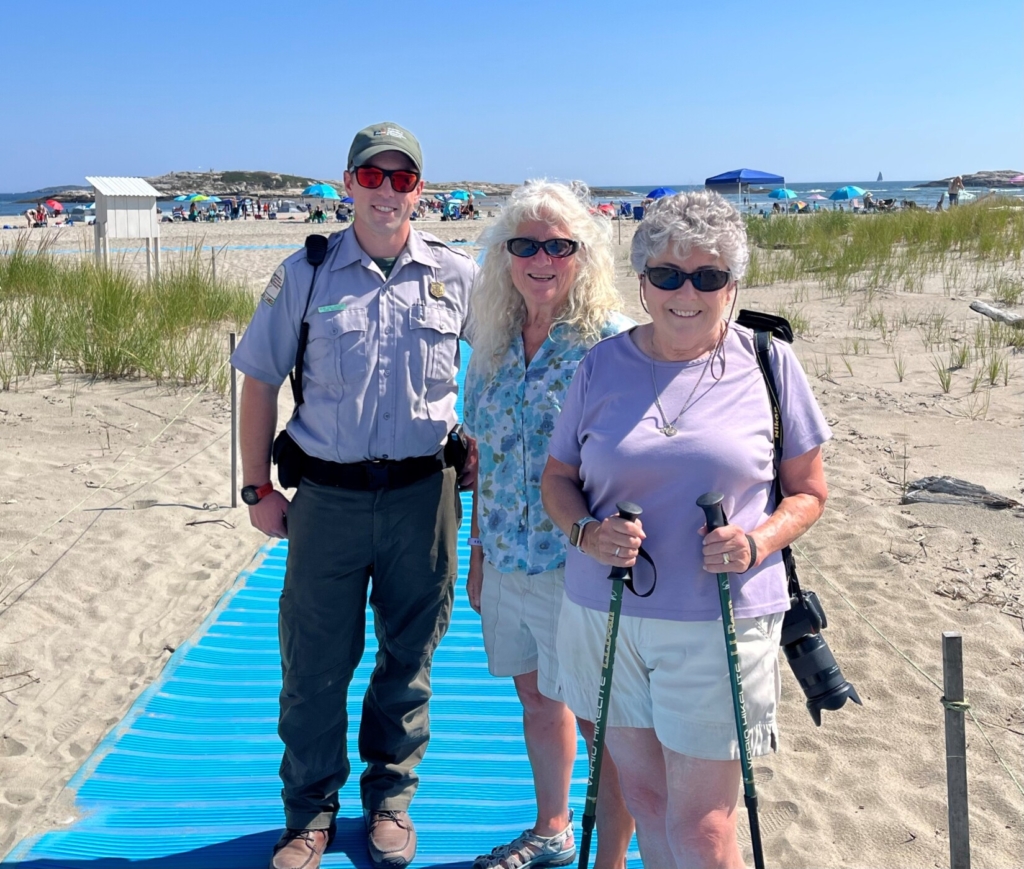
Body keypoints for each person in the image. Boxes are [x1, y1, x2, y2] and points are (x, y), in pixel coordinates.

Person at [541, 190, 831, 868]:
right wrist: (586, 533)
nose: (686, 293)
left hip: (721, 617)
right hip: (606, 613)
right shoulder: (599, 364)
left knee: (702, 828)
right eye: (668, 274)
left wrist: (756, 542)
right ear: (643, 280)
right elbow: (557, 478)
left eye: (708, 276)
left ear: (733, 283)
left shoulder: (769, 362)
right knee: (646, 799)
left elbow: (809, 492)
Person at [231, 121, 478, 869]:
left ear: (420, 191)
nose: (386, 191)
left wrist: (484, 448)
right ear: (347, 185)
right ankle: (308, 812)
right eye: (372, 176)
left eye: (402, 178)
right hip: (328, 499)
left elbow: (508, 366)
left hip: (423, 496)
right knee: (313, 665)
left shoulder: (457, 274)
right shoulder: (305, 275)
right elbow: (258, 380)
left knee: (409, 656)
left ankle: (390, 800)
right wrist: (255, 486)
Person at [464, 181, 635, 869]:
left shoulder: (612, 344)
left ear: (582, 255)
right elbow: (484, 455)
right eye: (526, 244)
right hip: (507, 557)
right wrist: (478, 552)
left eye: (559, 246)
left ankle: (610, 859)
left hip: (579, 566)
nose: (542, 259)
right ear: (505, 255)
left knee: (602, 721)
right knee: (536, 698)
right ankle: (553, 830)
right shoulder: (492, 344)